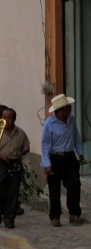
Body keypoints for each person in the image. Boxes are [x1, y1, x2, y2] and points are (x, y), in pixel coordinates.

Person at [41, 94, 85, 227]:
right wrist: (47, 164)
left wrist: (80, 154)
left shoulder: (71, 120)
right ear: (59, 110)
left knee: (74, 185)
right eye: (67, 108)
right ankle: (55, 216)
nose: (70, 109)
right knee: (54, 189)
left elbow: (76, 138)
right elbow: (45, 145)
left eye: (69, 107)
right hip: (55, 158)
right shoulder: (49, 124)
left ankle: (74, 214)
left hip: (70, 157)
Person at [0, 107, 30, 228]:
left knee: (13, 192)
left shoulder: (20, 133)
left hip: (15, 163)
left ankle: (9, 218)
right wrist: (1, 156)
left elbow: (26, 147)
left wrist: (20, 154)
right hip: (0, 163)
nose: (7, 120)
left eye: (9, 118)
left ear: (14, 119)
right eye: (4, 117)